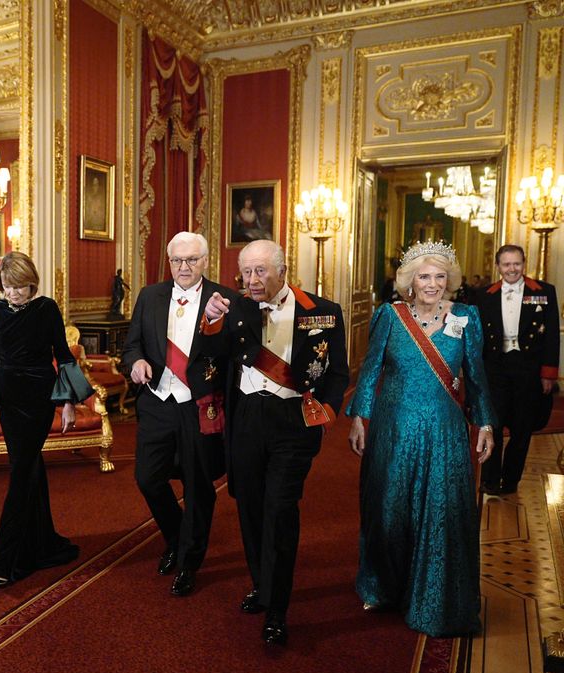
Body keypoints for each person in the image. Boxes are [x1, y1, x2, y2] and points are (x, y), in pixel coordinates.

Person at [203, 239, 349, 645]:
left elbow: (337, 371)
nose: (252, 280)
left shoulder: (321, 311)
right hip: (248, 418)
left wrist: (326, 414)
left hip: (293, 420)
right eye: (246, 271)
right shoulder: (234, 308)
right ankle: (262, 586)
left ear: (282, 271)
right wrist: (210, 322)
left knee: (280, 509)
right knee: (249, 507)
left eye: (261, 271)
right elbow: (211, 356)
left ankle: (278, 610)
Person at [346, 241, 495, 638]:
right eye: (424, 277)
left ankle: (435, 599)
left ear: (450, 280)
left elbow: (476, 377)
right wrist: (359, 417)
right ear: (409, 282)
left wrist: (484, 424)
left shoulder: (465, 317)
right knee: (389, 511)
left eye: (440, 276)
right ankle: (382, 587)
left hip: (444, 433)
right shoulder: (390, 316)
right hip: (393, 430)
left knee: (441, 515)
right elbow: (370, 370)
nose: (432, 284)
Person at [0, 251, 94, 589]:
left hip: (38, 400)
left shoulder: (46, 309)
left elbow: (63, 356)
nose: (12, 293)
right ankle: (41, 542)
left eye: (19, 287)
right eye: (7, 287)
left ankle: (5, 559)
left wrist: (68, 402)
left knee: (20, 475)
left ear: (32, 284)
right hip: (9, 400)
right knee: (29, 468)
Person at [121, 231, 236, 598]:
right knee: (147, 478)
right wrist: (136, 362)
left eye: (191, 260)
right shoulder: (149, 296)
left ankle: (189, 561)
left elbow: (234, 357)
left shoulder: (226, 299)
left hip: (199, 404)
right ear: (169, 262)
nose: (183, 267)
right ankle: (177, 537)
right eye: (176, 260)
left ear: (206, 261)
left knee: (198, 485)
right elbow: (132, 345)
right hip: (157, 400)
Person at [474, 245, 560, 495]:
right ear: (498, 266)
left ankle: (510, 480)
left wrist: (548, 373)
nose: (512, 269)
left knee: (522, 427)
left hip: (528, 368)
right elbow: (477, 338)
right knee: (493, 424)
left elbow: (552, 336)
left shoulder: (543, 292)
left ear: (524, 263)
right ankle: (490, 479)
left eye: (517, 264)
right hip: (495, 368)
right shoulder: (484, 295)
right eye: (506, 264)